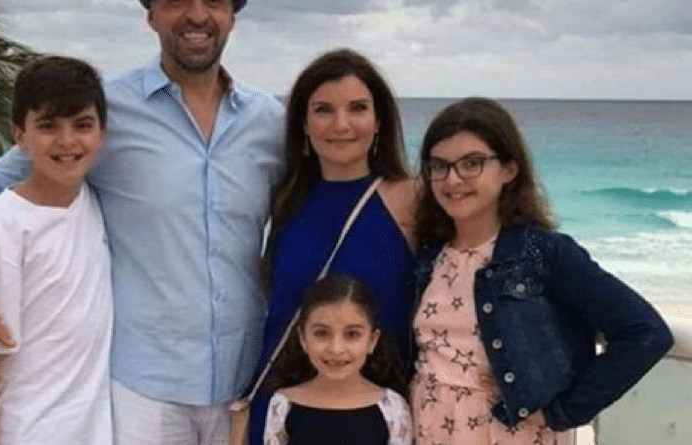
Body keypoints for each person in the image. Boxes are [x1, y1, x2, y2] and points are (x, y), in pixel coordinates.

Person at [0, 0, 284, 444]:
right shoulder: (104, 112)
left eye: (213, 1)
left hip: (244, 380)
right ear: (151, 15)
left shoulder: (269, 120)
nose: (197, 15)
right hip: (142, 391)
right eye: (176, 1)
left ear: (233, 14)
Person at [410, 97, 673, 444]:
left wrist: (562, 412)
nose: (453, 179)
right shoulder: (429, 255)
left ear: (509, 169)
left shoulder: (542, 253)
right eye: (439, 166)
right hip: (428, 430)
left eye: (471, 163)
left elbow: (645, 333)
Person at [249, 48, 418, 445]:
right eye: (323, 110)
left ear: (379, 121)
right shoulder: (286, 198)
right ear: (303, 124)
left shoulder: (408, 198)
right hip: (285, 410)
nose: (341, 124)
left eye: (358, 108)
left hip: (377, 417)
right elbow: (278, 315)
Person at [0, 56, 112, 445]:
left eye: (82, 125)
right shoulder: (2, 225)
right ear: (20, 135)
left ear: (102, 133)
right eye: (48, 127)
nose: (67, 141)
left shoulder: (91, 201)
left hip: (94, 432)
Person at [262, 274, 413, 445]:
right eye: (322, 333)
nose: (336, 348)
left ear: (372, 340)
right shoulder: (283, 404)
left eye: (352, 334)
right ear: (303, 338)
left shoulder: (392, 408)